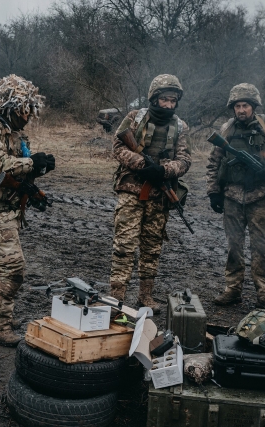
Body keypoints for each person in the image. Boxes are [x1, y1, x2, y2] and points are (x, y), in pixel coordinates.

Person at [0, 75, 54, 346]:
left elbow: (14, 169)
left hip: (7, 206)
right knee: (13, 268)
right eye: (24, 110)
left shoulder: (12, 132)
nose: (28, 116)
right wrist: (31, 163)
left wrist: (37, 168)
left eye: (30, 110)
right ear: (9, 105)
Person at [206, 83, 265, 309]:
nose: (241, 110)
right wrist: (213, 191)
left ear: (253, 105)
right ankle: (232, 289)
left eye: (245, 105)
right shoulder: (227, 127)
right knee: (233, 247)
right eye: (237, 106)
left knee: (261, 249)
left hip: (261, 198)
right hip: (232, 198)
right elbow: (214, 161)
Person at [108, 74, 191, 308]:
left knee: (152, 247)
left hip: (159, 195)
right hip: (131, 190)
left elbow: (185, 160)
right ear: (154, 98)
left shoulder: (181, 126)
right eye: (165, 99)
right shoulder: (135, 118)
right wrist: (142, 165)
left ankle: (145, 295)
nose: (169, 105)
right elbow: (118, 146)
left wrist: (163, 171)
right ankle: (117, 296)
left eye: (173, 100)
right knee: (124, 245)